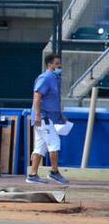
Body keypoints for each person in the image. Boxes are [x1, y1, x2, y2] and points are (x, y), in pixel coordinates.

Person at [27, 53, 69, 185]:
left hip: (47, 117)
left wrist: (60, 116)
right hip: (43, 118)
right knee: (54, 143)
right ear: (49, 65)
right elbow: (37, 96)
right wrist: (38, 115)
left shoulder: (54, 78)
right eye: (56, 63)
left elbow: (52, 100)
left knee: (40, 147)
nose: (59, 66)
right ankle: (54, 172)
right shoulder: (45, 78)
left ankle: (32, 175)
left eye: (59, 63)